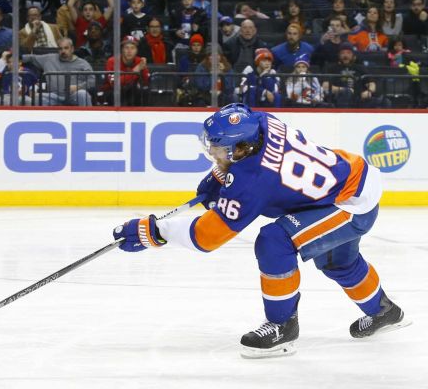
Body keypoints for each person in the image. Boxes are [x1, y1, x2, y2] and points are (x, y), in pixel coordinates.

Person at [112, 103, 408, 358]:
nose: (212, 150)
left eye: (217, 148)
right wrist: (221, 176)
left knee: (273, 241)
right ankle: (384, 311)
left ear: (240, 149)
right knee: (338, 262)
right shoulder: (263, 122)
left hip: (351, 203)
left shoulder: (252, 182)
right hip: (351, 176)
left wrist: (155, 231)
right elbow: (255, 168)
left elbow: (206, 237)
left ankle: (282, 326)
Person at [20, 37, 94, 106]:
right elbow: (31, 58)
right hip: (53, 96)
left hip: (74, 95)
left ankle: (86, 119)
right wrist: (14, 57)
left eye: (66, 48)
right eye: (60, 49)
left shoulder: (83, 63)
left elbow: (92, 81)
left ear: (72, 49)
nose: (63, 51)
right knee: (37, 97)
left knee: (82, 94)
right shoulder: (49, 59)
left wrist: (78, 87)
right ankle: (40, 120)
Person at [101, 35, 150, 106]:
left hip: (132, 93)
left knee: (143, 92)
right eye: (126, 48)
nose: (129, 51)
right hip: (112, 93)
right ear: (122, 50)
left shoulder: (139, 61)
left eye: (133, 48)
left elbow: (145, 83)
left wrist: (144, 69)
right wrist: (135, 71)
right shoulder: (112, 61)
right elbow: (114, 83)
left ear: (137, 51)